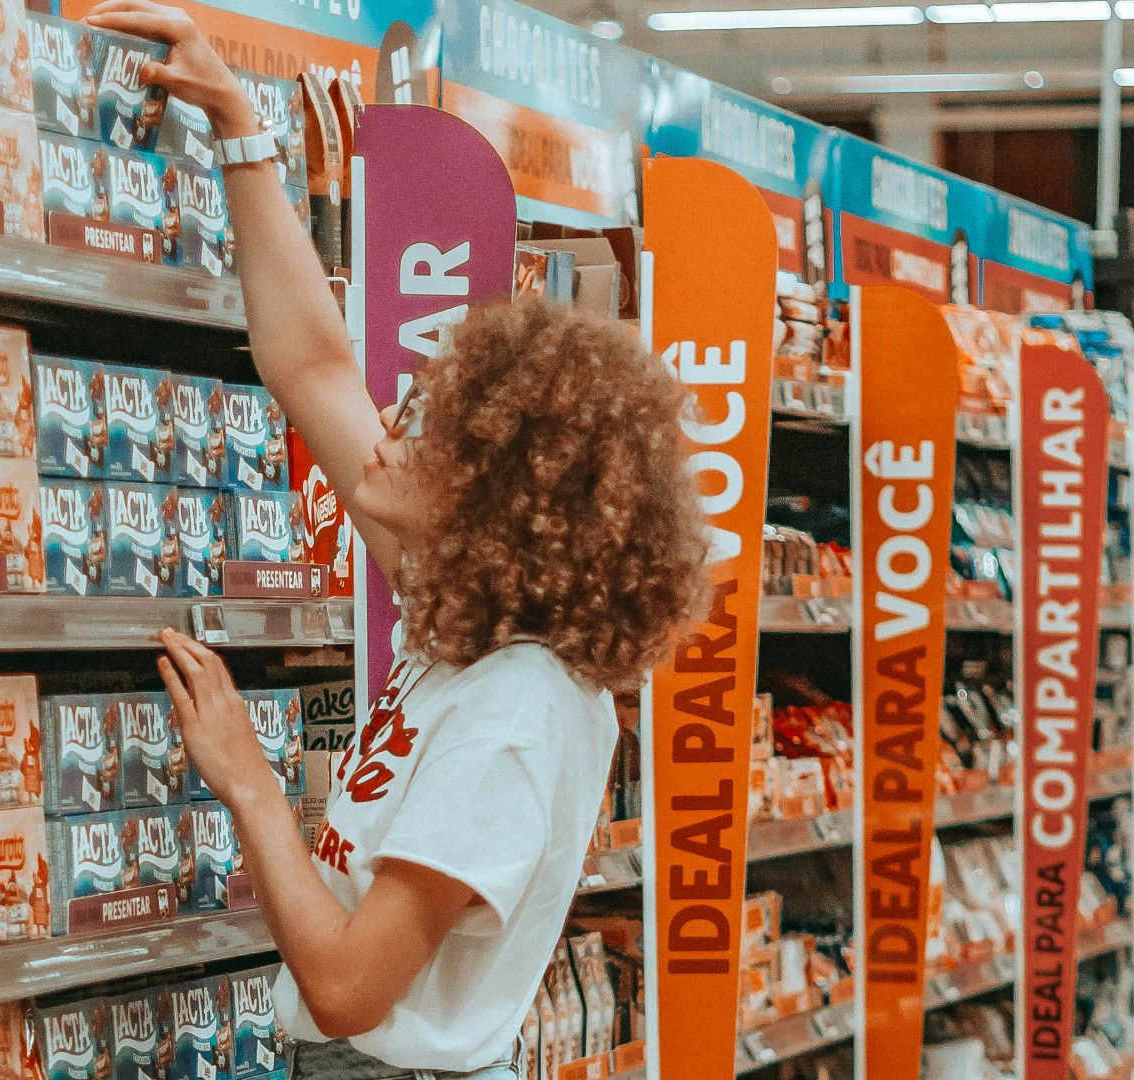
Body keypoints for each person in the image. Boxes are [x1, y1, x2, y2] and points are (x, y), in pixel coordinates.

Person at [81, 3, 712, 1078]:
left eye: (429, 429)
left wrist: (250, 783)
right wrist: (240, 122)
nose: (391, 428)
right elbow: (313, 368)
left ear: (499, 497)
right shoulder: (479, 633)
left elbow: (344, 988)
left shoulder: (516, 717)